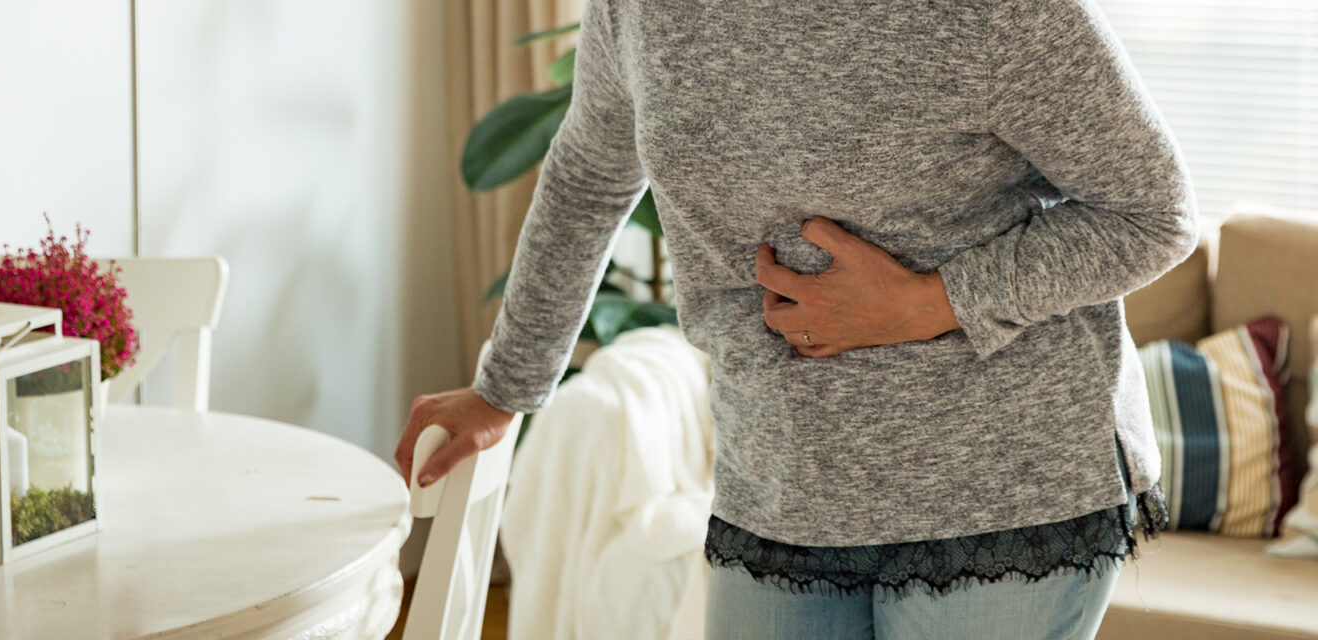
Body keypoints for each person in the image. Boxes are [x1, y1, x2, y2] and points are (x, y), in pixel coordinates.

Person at [396, 0, 1195, 636]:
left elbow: (1156, 212)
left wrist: (928, 302)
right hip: (783, 477)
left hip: (1008, 482)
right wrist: (504, 388)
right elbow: (588, 175)